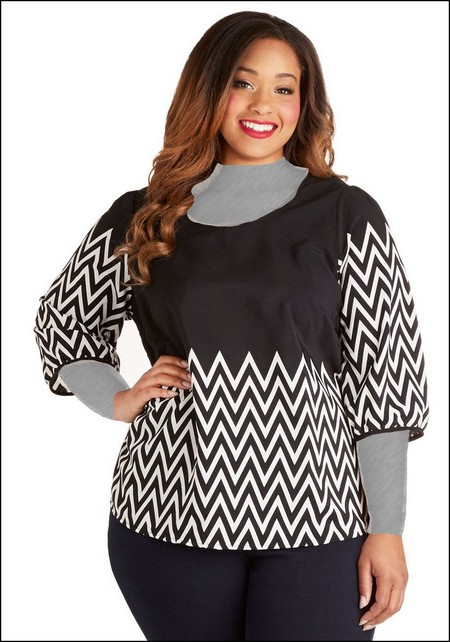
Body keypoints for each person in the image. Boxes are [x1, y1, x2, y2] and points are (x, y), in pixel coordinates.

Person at [34, 10, 429, 642]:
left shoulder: (345, 214)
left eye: (284, 87)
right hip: (166, 515)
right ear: (208, 90)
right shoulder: (145, 215)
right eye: (242, 83)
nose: (263, 104)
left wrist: (387, 530)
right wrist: (116, 397)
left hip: (322, 517)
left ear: (304, 103)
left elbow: (388, 377)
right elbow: (65, 323)